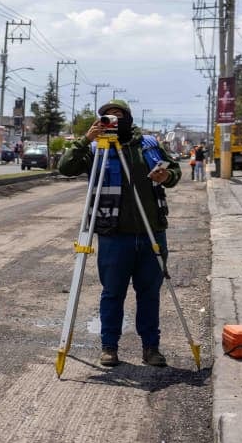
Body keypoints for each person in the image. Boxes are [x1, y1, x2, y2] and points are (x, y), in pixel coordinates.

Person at [58, 99, 181, 368]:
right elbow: (65, 168)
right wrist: (84, 139)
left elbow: (175, 170)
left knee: (149, 293)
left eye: (118, 116)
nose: (113, 121)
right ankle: (109, 347)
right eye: (107, 117)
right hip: (114, 235)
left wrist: (167, 176)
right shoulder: (94, 149)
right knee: (113, 293)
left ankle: (151, 348)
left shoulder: (148, 144)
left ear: (129, 118)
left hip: (151, 234)